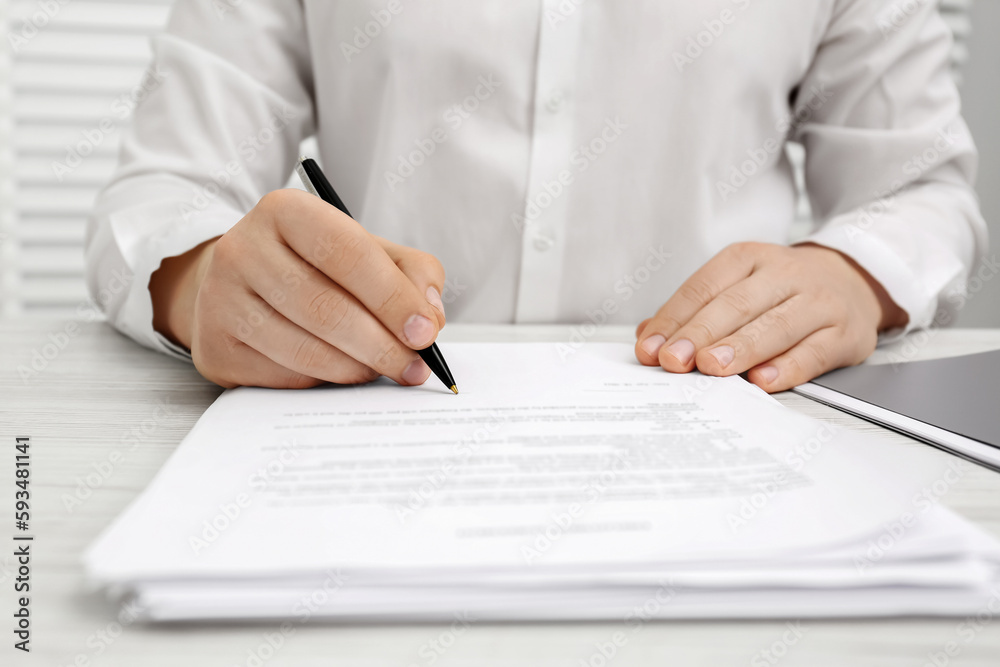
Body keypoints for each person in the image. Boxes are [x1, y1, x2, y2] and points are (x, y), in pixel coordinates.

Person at [86, 0, 987, 393]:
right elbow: (163, 189)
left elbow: (921, 193)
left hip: (728, 426)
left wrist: (850, 276)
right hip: (369, 428)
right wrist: (200, 281)